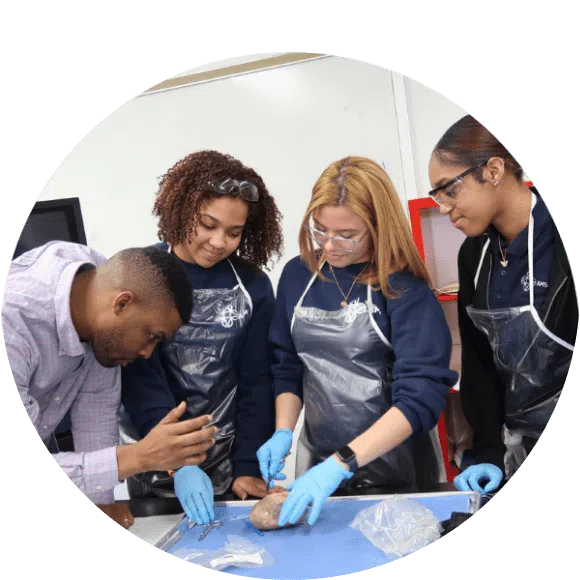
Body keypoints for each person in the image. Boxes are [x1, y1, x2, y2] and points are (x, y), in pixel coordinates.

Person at [259, 156, 458, 527]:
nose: (330, 246)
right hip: (319, 459)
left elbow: (420, 396)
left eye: (347, 235)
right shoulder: (296, 275)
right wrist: (284, 430)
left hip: (399, 468)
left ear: (378, 227)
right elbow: (287, 364)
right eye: (320, 230)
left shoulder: (403, 287)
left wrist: (342, 463)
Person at [1, 241, 218, 529]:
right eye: (151, 336)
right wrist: (140, 456)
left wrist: (99, 504)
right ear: (122, 303)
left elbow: (96, 413)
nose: (147, 354)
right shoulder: (11, 326)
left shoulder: (95, 292)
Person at [121, 150, 283, 525]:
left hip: (229, 462)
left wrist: (247, 465)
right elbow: (140, 380)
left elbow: (257, 382)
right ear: (182, 210)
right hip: (155, 458)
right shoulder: (141, 273)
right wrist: (177, 462)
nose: (217, 241)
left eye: (233, 232)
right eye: (207, 224)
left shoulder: (253, 286)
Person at [428, 115, 577, 494]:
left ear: (493, 170)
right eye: (437, 197)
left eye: (449, 190)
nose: (444, 208)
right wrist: (490, 453)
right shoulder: (474, 255)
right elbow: (479, 362)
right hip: (520, 448)